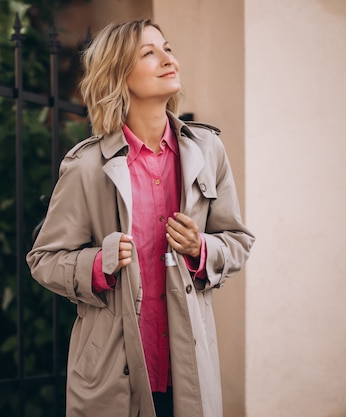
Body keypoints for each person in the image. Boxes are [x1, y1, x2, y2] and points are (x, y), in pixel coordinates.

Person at [26, 19, 254, 417]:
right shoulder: (86, 167)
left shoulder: (207, 151)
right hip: (113, 371)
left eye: (167, 48)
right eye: (149, 53)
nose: (169, 59)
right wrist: (100, 262)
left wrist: (202, 247)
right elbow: (44, 260)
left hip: (188, 368)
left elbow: (237, 240)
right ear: (119, 75)